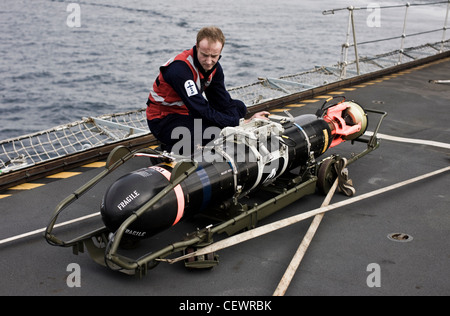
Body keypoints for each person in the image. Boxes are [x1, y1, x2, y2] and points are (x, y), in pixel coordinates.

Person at [146, 26, 269, 155]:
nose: (209, 61)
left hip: (187, 113)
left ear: (220, 52)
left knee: (239, 108)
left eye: (214, 56)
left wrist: (238, 121)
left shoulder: (214, 68)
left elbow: (222, 101)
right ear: (197, 47)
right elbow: (200, 109)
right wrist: (240, 123)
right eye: (204, 55)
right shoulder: (180, 70)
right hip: (164, 119)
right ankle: (167, 152)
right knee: (211, 133)